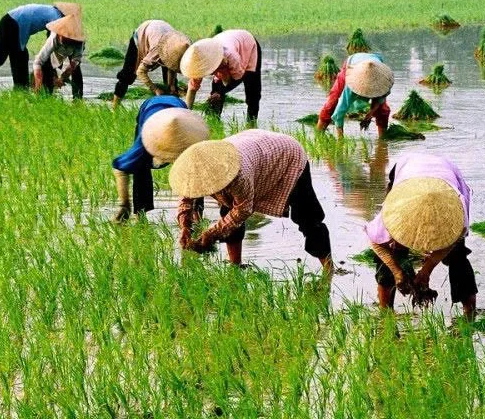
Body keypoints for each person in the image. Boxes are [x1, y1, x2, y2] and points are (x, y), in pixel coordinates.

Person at [169, 130, 332, 273]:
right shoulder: (192, 171)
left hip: (287, 156)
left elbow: (243, 210)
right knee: (227, 211)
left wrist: (212, 234)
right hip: (255, 147)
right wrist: (185, 227)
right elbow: (186, 199)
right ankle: (235, 266)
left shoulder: (237, 173)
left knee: (307, 216)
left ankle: (329, 269)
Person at [366, 153, 477, 321]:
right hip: (407, 173)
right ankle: (386, 314)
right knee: (393, 246)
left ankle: (469, 313)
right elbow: (375, 241)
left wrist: (427, 270)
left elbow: (453, 240)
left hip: (446, 178)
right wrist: (397, 271)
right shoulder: (396, 208)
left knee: (457, 256)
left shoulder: (456, 211)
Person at [111, 96, 208, 222]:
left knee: (193, 168)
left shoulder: (188, 140)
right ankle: (140, 213)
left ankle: (197, 211)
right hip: (150, 110)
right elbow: (120, 167)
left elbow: (199, 174)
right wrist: (124, 205)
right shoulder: (145, 141)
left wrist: (194, 207)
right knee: (140, 164)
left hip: (181, 116)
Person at [0, 2, 80, 89]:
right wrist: (55, 74)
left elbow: (52, 44)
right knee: (18, 57)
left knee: (0, 54)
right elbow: (53, 46)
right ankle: (21, 88)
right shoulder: (58, 19)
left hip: (8, 19)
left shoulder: (52, 12)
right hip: (14, 23)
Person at [180, 29, 262, 121]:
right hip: (227, 43)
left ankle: (251, 123)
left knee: (252, 90)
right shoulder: (199, 61)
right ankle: (214, 120)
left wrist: (223, 77)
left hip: (248, 45)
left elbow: (234, 79)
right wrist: (186, 116)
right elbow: (192, 89)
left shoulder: (231, 57)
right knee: (215, 94)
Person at [110, 20, 191, 108]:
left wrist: (172, 87)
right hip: (143, 34)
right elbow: (140, 72)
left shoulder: (180, 48)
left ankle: (170, 107)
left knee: (170, 86)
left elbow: (172, 67)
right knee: (128, 74)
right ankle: (115, 106)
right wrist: (155, 89)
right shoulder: (157, 50)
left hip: (164, 34)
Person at [316, 53, 394, 137]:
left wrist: (370, 113)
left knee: (382, 110)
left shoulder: (383, 81)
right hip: (352, 65)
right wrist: (340, 138)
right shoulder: (353, 83)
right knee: (332, 102)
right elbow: (339, 112)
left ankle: (382, 140)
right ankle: (319, 135)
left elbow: (380, 99)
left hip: (376, 69)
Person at [33, 14, 86, 98]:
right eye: (62, 36)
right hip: (55, 45)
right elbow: (38, 62)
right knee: (46, 66)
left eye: (66, 38)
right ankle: (45, 94)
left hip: (74, 48)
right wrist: (38, 86)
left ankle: (77, 98)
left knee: (76, 70)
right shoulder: (54, 37)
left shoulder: (78, 42)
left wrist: (63, 78)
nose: (63, 38)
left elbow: (74, 63)